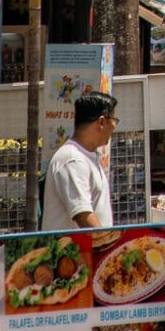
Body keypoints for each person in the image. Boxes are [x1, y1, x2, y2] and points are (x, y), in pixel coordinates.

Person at [42, 90, 118, 231]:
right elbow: (83, 214)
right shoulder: (72, 159)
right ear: (102, 121)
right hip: (75, 251)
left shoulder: (87, 157)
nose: (114, 126)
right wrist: (109, 245)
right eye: (114, 120)